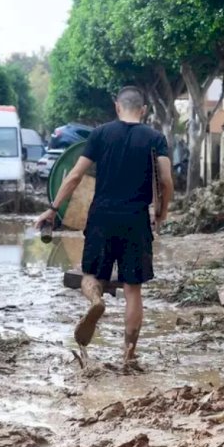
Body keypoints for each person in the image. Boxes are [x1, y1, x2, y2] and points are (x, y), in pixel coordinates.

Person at [36, 86, 174, 365]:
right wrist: (162, 212)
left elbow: (75, 175)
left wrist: (52, 209)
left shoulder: (100, 134)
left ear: (116, 106)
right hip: (136, 219)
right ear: (144, 110)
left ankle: (97, 301)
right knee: (133, 288)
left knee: (90, 276)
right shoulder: (155, 138)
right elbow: (166, 180)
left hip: (101, 217)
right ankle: (128, 351)